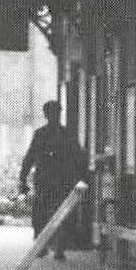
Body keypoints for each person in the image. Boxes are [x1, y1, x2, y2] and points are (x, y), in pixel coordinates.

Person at [19, 100, 87, 260]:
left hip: (45, 179)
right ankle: (59, 247)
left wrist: (23, 178)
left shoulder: (40, 134)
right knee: (61, 212)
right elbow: (78, 156)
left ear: (45, 115)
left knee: (40, 212)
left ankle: (41, 246)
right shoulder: (67, 134)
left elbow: (29, 157)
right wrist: (80, 177)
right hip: (62, 180)